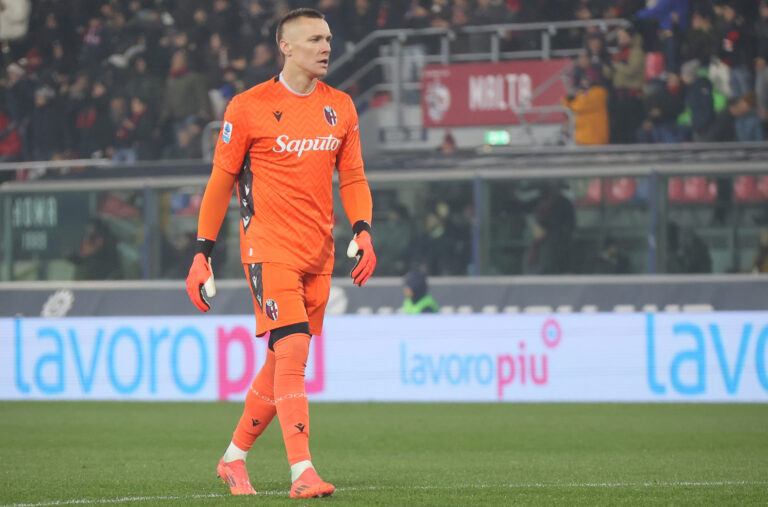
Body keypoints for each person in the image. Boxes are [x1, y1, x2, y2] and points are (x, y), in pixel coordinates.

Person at [185, 8, 376, 499]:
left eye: (328, 38)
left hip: (319, 253)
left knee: (279, 363)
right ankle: (302, 471)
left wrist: (363, 229)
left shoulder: (343, 107)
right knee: (292, 353)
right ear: (286, 47)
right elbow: (220, 183)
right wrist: (201, 252)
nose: (326, 47)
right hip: (267, 248)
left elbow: (352, 177)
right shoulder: (247, 107)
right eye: (314, 39)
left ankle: (233, 459)